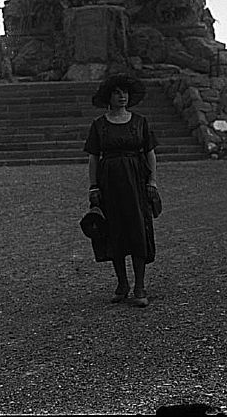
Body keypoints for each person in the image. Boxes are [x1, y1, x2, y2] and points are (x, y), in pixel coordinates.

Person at [83, 74, 159, 308]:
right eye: (117, 92)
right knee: (114, 230)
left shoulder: (140, 122)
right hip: (110, 182)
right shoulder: (99, 125)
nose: (122, 96)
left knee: (138, 229)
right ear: (109, 96)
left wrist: (152, 182)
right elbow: (94, 158)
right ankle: (122, 284)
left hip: (135, 180)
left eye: (125, 92)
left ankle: (139, 286)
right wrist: (93, 186)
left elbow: (150, 154)